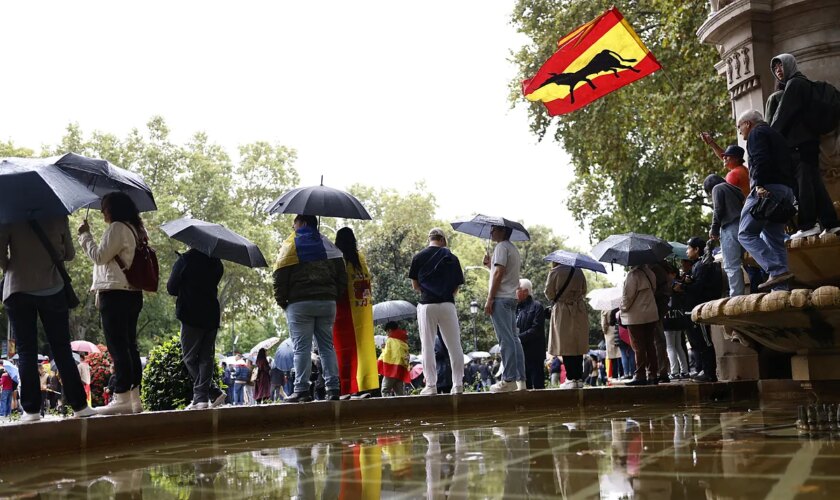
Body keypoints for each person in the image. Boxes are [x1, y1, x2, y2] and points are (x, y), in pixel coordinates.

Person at [1, 216, 95, 420]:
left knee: (26, 350)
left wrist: (16, 264)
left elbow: (0, 257)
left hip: (18, 288)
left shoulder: (9, 215)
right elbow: (69, 254)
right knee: (61, 348)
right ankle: (80, 406)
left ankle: (31, 410)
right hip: (53, 288)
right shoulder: (57, 213)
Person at [78, 192, 146, 415]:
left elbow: (99, 256)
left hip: (116, 294)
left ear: (114, 209)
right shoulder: (134, 229)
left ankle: (122, 396)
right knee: (129, 346)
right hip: (131, 293)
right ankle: (134, 399)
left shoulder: (117, 227)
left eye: (104, 207)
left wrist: (85, 236)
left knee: (118, 347)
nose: (101, 211)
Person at [273, 214, 346, 403]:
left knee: (301, 349)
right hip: (327, 303)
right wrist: (332, 296)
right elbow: (342, 277)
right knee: (327, 347)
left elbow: (280, 277)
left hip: (299, 304)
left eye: (294, 223)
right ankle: (333, 389)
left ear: (303, 223)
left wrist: (284, 303)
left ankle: (302, 390)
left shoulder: (291, 246)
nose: (293, 226)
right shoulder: (329, 246)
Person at [768, 53, 840, 239]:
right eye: (775, 68)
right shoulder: (801, 83)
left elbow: (782, 116)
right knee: (814, 183)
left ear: (790, 65)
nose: (778, 71)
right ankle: (831, 223)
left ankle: (808, 224)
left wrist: (767, 138)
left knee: (803, 185)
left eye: (781, 66)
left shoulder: (795, 84)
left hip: (799, 144)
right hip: (807, 143)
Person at [736, 109, 797, 291]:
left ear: (748, 123)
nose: (740, 132)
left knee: (745, 234)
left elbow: (761, 159)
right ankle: (781, 288)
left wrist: (759, 185)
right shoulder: (776, 134)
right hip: (785, 191)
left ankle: (777, 271)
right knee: (774, 237)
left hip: (766, 190)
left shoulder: (756, 133)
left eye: (739, 127)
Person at [167, 246, 226, 410]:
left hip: (191, 314)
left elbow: (171, 288)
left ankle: (205, 395)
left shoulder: (185, 260)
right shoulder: (217, 263)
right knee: (206, 358)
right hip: (211, 315)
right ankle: (208, 395)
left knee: (189, 357)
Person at [408, 227, 465, 395]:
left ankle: (431, 385)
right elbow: (456, 286)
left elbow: (415, 285)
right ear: (443, 240)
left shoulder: (418, 257)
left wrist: (429, 292)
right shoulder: (452, 258)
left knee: (427, 345)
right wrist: (445, 293)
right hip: (447, 304)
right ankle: (458, 384)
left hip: (427, 304)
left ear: (430, 238)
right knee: (454, 345)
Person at [332, 227, 379, 399]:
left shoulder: (337, 258)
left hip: (342, 311)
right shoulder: (360, 259)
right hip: (362, 312)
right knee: (362, 349)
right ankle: (363, 387)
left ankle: (346, 390)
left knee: (344, 351)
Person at [673, 237, 721, 383]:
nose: (687, 251)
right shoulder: (698, 265)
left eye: (689, 248)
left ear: (696, 250)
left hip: (701, 308)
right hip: (695, 308)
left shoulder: (702, 265)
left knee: (705, 342)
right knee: (699, 342)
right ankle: (704, 371)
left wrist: (683, 287)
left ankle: (709, 373)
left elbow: (699, 289)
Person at [485, 225, 525, 393]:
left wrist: (490, 298)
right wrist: (490, 265)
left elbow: (499, 273)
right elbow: (501, 272)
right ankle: (521, 380)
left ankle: (508, 379)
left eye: (493, 229)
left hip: (500, 299)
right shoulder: (513, 249)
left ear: (502, 231)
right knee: (514, 339)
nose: (491, 232)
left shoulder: (501, 247)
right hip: (511, 297)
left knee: (505, 339)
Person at [544, 263, 588, 389]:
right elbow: (584, 290)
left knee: (565, 343)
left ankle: (570, 378)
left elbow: (549, 293)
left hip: (562, 310)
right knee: (577, 342)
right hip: (579, 309)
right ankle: (579, 378)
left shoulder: (555, 272)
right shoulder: (579, 271)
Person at [704, 174, 746, 297]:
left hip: (729, 227)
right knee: (749, 261)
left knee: (731, 265)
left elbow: (718, 210)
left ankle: (736, 296)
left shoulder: (717, 188)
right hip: (743, 225)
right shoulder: (735, 189)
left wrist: (714, 230)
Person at [620, 263, 659, 386]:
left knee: (638, 346)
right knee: (650, 344)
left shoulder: (632, 275)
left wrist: (621, 308)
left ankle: (640, 375)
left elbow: (627, 297)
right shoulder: (650, 273)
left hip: (636, 316)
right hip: (651, 313)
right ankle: (653, 374)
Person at [515, 279, 546, 389]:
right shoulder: (516, 308)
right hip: (521, 353)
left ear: (525, 291)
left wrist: (518, 338)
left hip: (535, 353)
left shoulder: (537, 306)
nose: (515, 292)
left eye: (517, 289)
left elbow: (536, 329)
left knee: (538, 386)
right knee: (524, 386)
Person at [377, 321, 412, 396]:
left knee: (385, 390)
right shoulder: (403, 341)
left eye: (387, 332)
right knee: (400, 393)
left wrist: (383, 349)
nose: (387, 334)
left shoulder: (390, 340)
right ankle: (401, 407)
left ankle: (387, 407)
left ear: (389, 330)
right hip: (400, 370)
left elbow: (387, 354)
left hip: (391, 369)